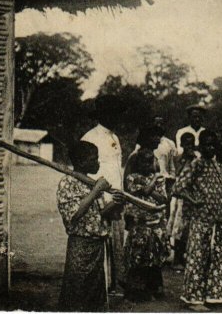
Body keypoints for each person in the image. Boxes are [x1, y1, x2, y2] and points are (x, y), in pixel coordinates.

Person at [172, 129, 222, 309]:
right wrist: (195, 200)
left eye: (213, 145)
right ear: (200, 147)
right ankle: (193, 298)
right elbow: (178, 188)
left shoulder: (214, 164)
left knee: (217, 257)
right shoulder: (196, 164)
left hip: (217, 221)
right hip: (201, 219)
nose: (211, 148)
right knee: (198, 257)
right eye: (207, 145)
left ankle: (213, 295)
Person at [57, 141, 125, 312]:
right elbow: (74, 214)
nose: (97, 163)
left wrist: (116, 202)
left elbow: (100, 213)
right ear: (80, 161)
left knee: (94, 291)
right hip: (80, 244)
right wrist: (95, 191)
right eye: (93, 159)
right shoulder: (68, 183)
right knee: (77, 289)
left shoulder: (91, 183)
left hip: (97, 244)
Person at [80, 94, 126, 295]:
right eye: (113, 114)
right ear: (102, 115)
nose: (116, 118)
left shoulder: (114, 137)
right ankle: (102, 285)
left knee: (116, 239)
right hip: (101, 196)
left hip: (116, 195)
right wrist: (100, 195)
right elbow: (87, 170)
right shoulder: (90, 137)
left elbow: (117, 168)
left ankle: (116, 283)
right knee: (101, 239)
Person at [123, 132, 169, 301]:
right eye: (143, 161)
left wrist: (154, 183)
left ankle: (154, 287)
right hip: (140, 224)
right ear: (137, 163)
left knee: (155, 257)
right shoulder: (132, 178)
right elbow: (147, 192)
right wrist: (154, 180)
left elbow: (163, 198)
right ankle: (136, 290)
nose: (147, 165)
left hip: (154, 224)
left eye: (150, 162)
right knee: (138, 257)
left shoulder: (156, 179)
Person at [168, 133, 196, 269]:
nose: (190, 146)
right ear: (182, 144)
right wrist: (186, 161)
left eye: (192, 143)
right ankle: (177, 259)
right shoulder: (177, 158)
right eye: (187, 143)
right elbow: (176, 175)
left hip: (192, 197)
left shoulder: (197, 159)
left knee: (188, 228)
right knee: (178, 228)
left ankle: (186, 256)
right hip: (180, 197)